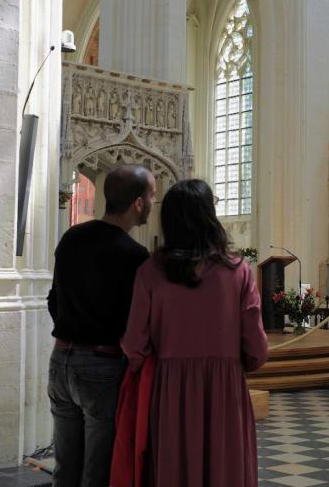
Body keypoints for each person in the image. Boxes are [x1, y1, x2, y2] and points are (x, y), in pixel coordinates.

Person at [121, 179, 268, 487]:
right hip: (225, 391)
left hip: (170, 389)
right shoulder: (239, 271)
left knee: (174, 468)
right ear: (209, 216)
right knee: (224, 470)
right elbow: (256, 350)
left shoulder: (150, 272)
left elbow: (134, 343)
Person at [47, 164, 156, 487]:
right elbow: (136, 322)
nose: (153, 200)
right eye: (151, 194)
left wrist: (73, 331)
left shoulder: (72, 238)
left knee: (65, 470)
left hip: (61, 360)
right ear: (138, 202)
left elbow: (54, 300)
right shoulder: (135, 256)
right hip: (101, 366)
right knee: (98, 472)